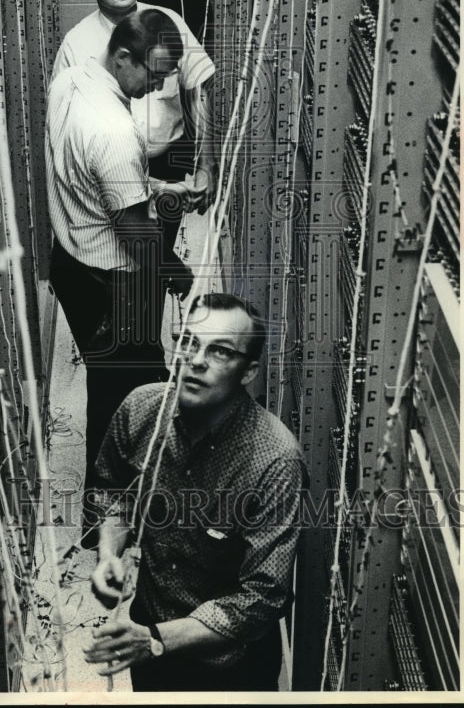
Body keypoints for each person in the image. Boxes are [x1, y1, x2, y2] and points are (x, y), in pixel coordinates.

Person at [85, 292, 306, 692]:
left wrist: (157, 640)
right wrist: (107, 555)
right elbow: (111, 493)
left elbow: (262, 597)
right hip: (148, 635)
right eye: (188, 341)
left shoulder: (275, 460)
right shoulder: (140, 409)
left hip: (230, 670)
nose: (196, 359)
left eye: (220, 351)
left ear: (249, 371)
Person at [45, 7, 199, 533]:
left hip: (69, 261)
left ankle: (109, 510)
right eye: (152, 74)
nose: (157, 86)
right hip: (109, 279)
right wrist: (179, 274)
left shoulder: (71, 80)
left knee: (124, 383)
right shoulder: (115, 130)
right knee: (129, 399)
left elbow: (90, 180)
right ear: (123, 56)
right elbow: (134, 232)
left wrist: (158, 188)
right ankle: (108, 518)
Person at [52, 0, 219, 311]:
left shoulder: (167, 22)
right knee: (124, 265)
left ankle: (145, 337)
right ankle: (131, 347)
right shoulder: (76, 45)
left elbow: (200, 90)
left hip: (166, 162)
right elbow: (65, 130)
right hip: (104, 182)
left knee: (153, 262)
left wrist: (206, 165)